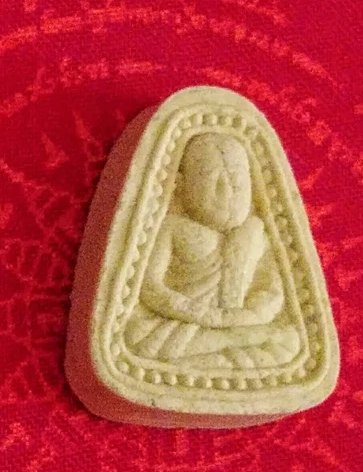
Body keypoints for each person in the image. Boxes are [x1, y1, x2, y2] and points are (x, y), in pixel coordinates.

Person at [125, 133, 299, 369]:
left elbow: (272, 289)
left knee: (288, 342)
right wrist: (200, 313)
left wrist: (252, 314)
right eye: (211, 178)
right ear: (180, 185)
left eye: (237, 180)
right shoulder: (173, 227)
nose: (227, 191)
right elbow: (150, 287)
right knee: (138, 337)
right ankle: (221, 359)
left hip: (238, 324)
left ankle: (213, 359)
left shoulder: (257, 234)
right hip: (183, 325)